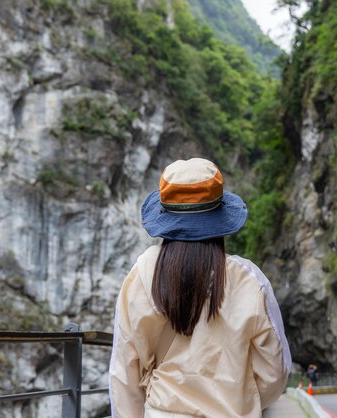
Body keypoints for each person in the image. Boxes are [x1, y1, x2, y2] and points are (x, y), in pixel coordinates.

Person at [109, 158, 291, 418]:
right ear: (219, 218)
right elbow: (275, 372)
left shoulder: (141, 275)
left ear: (165, 217)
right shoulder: (249, 280)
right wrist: (239, 400)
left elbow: (124, 373)